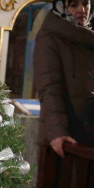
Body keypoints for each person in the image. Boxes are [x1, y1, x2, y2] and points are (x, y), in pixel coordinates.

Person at [33, 0, 94, 158]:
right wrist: (58, 132)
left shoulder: (89, 36)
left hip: (88, 129)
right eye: (74, 5)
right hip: (66, 136)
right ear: (60, 6)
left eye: (86, 4)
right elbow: (49, 89)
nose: (82, 10)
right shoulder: (49, 37)